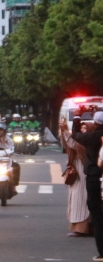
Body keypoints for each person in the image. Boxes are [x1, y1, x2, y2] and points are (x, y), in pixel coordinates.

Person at [70, 111, 103, 260]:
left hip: (95, 178)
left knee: (97, 215)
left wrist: (77, 116)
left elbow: (75, 134)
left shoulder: (92, 137)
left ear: (95, 124)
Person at [58, 117, 91, 237]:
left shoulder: (89, 141)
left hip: (84, 173)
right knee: (76, 198)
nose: (83, 130)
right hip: (79, 172)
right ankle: (80, 228)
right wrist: (64, 130)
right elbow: (68, 143)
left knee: (81, 199)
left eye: (86, 128)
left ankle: (83, 228)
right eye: (82, 128)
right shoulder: (83, 140)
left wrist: (65, 129)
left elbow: (73, 144)